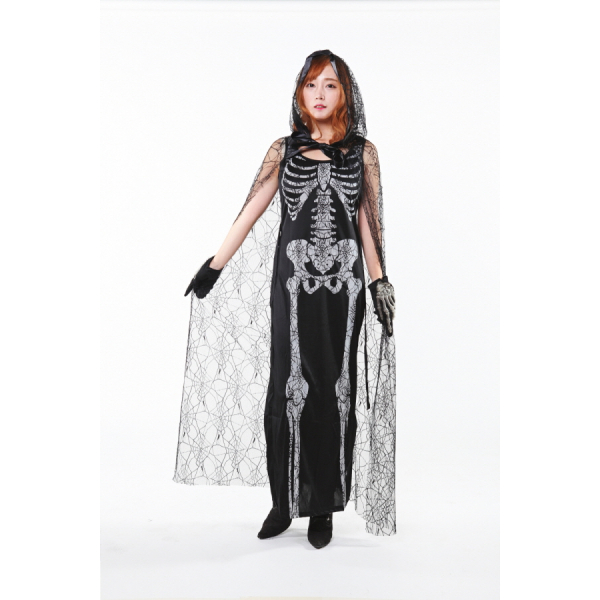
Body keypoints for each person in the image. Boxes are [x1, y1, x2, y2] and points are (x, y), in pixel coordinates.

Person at [174, 50, 397, 549]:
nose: (320, 94)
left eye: (330, 85)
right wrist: (215, 265)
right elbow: (251, 209)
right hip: (292, 289)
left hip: (343, 292)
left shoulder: (363, 153)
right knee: (286, 389)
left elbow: (368, 223)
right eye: (311, 85)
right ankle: (283, 501)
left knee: (336, 393)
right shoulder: (285, 150)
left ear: (345, 94)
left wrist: (379, 281)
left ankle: (323, 507)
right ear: (300, 93)